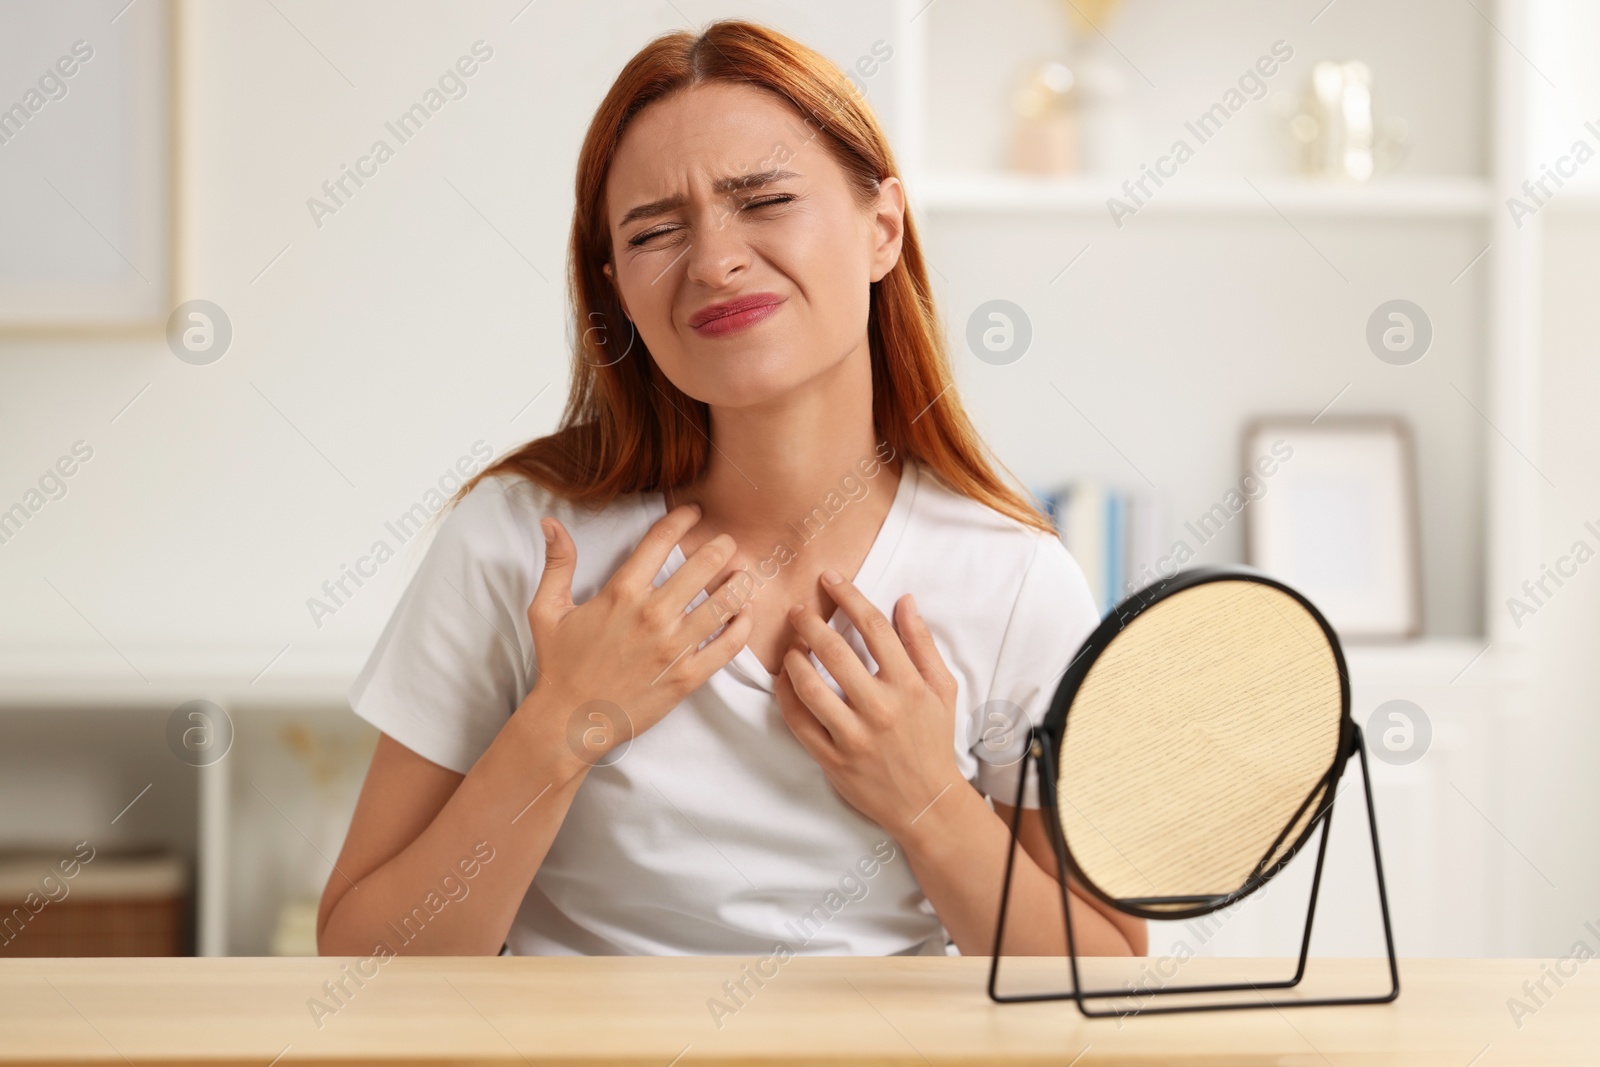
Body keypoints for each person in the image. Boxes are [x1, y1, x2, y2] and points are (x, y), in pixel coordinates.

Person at [317, 18, 1146, 960]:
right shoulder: (519, 541)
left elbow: (1104, 986)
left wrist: (929, 802)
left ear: (882, 228)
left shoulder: (1014, 579)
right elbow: (363, 965)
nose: (713, 260)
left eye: (763, 200)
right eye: (656, 231)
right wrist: (561, 729)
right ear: (618, 288)